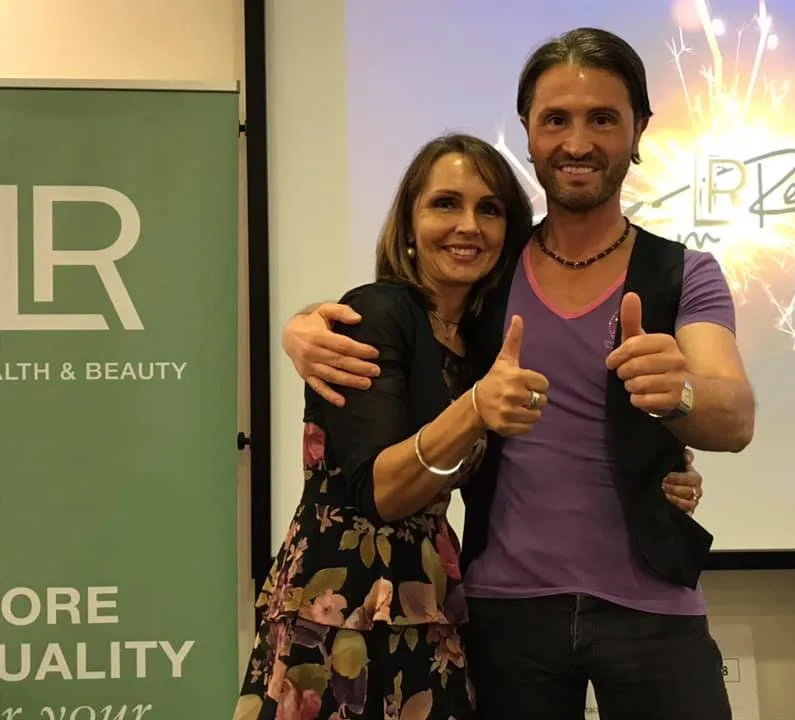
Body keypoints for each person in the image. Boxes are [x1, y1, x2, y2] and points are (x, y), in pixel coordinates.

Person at [279, 28, 755, 720]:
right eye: (556, 119)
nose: (577, 142)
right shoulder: (488, 273)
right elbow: (405, 312)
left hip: (654, 605)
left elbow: (733, 416)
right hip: (503, 612)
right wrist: (299, 327)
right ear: (528, 131)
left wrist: (677, 394)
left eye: (602, 118)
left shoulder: (685, 274)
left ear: (639, 130)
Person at [234, 133, 548, 720]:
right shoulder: (377, 312)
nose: (468, 226)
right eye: (445, 203)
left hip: (429, 597)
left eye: (489, 209)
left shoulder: (480, 339)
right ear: (408, 223)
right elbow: (381, 493)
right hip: (345, 602)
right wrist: (475, 407)